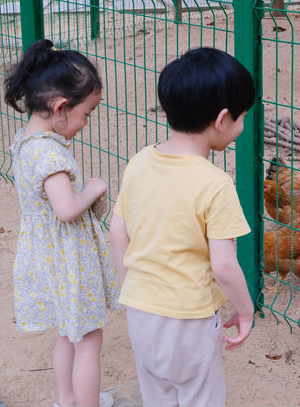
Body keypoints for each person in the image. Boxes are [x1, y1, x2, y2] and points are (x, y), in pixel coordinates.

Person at [109, 46, 256, 407]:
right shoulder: (215, 184)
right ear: (222, 120)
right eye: (242, 117)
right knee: (199, 397)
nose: (242, 124)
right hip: (188, 320)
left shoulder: (140, 161)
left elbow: (117, 231)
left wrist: (134, 287)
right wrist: (245, 309)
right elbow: (223, 265)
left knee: (158, 395)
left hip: (141, 314)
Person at [5, 39, 119, 407]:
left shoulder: (26, 142)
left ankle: (68, 399)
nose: (86, 123)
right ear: (60, 107)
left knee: (68, 335)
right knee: (89, 341)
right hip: (68, 259)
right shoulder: (50, 154)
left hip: (46, 255)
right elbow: (67, 209)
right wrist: (93, 189)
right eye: (87, 113)